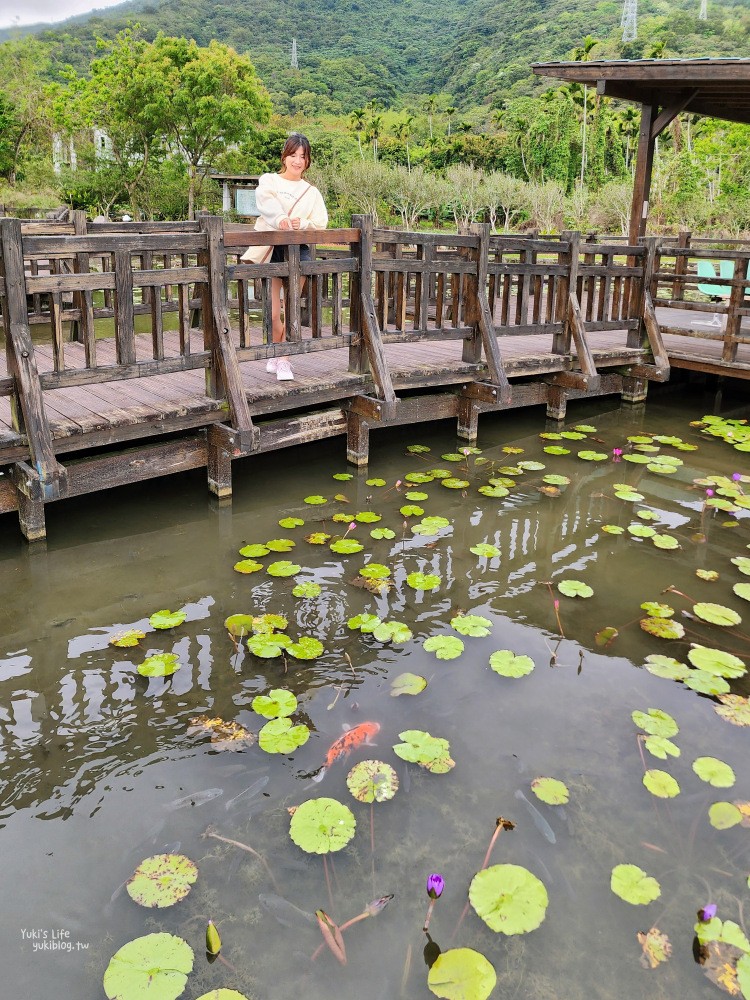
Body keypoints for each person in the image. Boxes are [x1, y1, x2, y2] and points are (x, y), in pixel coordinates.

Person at [241, 134, 328, 381]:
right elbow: (265, 203)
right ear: (285, 156)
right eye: (293, 155)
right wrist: (280, 219)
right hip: (272, 247)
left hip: (297, 250)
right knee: (273, 311)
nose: (297, 161)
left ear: (308, 160)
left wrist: (305, 223)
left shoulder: (311, 192)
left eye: (303, 156)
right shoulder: (269, 180)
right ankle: (277, 351)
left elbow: (321, 222)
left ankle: (284, 360)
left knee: (291, 307)